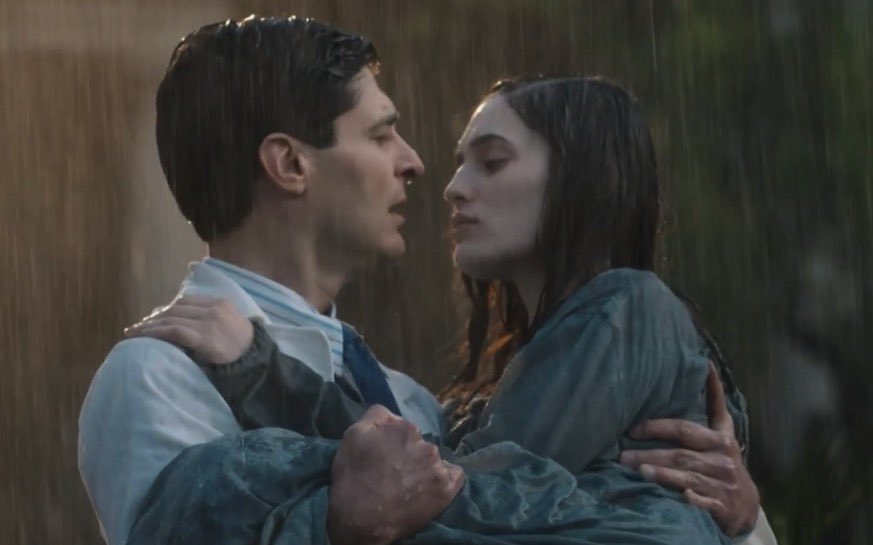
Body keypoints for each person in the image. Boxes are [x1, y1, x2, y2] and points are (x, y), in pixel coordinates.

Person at [78, 15, 772, 545]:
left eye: (491, 162)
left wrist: (741, 522)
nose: (420, 168)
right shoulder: (159, 374)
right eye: (380, 135)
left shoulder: (411, 401)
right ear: (289, 165)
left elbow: (477, 495)